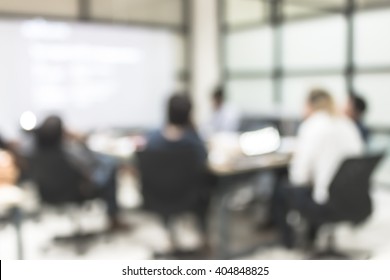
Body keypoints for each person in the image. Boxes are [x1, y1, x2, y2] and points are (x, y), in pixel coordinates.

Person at [276, 89, 364, 248]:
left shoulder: (312, 125)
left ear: (309, 105)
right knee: (313, 189)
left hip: (326, 202)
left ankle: (289, 243)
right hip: (356, 199)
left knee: (282, 190)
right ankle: (311, 236)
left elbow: (299, 177)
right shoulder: (347, 123)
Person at [32, 115, 128, 231]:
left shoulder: (37, 152)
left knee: (107, 163)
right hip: (79, 191)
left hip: (50, 194)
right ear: (61, 132)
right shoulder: (68, 152)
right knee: (110, 166)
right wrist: (81, 141)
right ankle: (113, 219)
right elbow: (88, 166)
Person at [144, 93, 213, 253]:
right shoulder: (192, 141)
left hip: (158, 196)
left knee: (167, 187)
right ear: (189, 114)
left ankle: (170, 234)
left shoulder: (153, 139)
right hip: (190, 198)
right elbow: (204, 160)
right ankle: (203, 234)